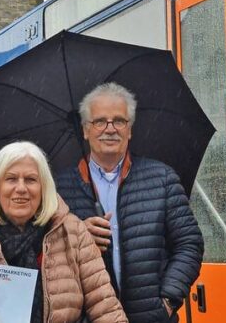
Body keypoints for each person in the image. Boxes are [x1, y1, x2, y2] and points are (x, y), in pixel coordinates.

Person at [55, 82, 203, 323]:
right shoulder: (58, 189)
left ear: (130, 129)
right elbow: (46, 258)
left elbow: (190, 244)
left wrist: (167, 301)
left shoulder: (162, 178)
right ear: (85, 130)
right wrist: (77, 238)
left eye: (119, 121)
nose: (110, 129)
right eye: (100, 121)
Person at [0, 141, 127, 323]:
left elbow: (104, 306)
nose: (21, 188)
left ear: (44, 187)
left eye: (30, 179)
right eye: (11, 179)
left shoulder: (73, 230)